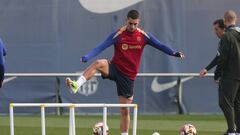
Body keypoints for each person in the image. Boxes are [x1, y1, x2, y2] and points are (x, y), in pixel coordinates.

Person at [66, 9, 184, 135]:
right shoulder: (118, 34)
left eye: (135, 24)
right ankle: (76, 85)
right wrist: (87, 56)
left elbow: (160, 45)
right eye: (130, 23)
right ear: (126, 20)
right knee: (98, 63)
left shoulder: (143, 36)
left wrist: (173, 53)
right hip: (114, 68)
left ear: (138, 22)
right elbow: (100, 46)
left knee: (125, 111)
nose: (132, 27)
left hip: (128, 77)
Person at [216, 10, 240, 135]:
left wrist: (217, 75)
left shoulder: (227, 36)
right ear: (235, 20)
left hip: (230, 75)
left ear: (225, 21)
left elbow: (222, 58)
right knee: (237, 103)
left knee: (225, 102)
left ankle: (231, 131)